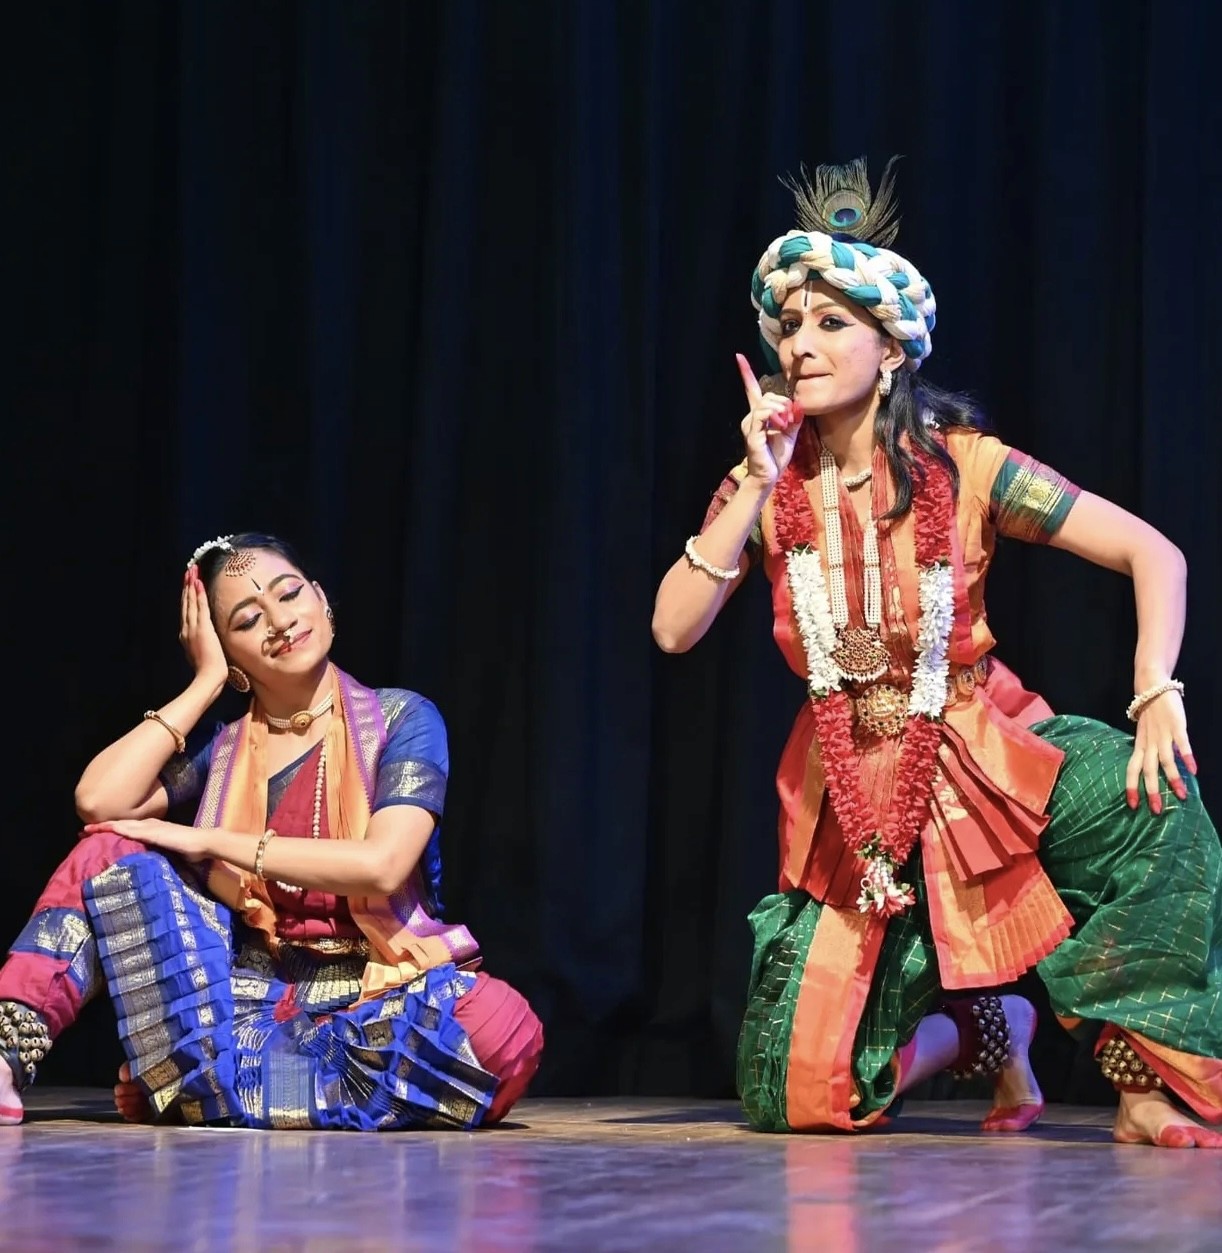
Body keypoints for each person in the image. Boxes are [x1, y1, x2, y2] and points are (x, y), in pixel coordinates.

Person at [652, 158, 1221, 1148]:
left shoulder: (967, 466)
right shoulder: (766, 489)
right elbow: (672, 626)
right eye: (790, 325)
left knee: (1148, 805)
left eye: (831, 322)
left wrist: (1153, 691)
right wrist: (749, 481)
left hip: (986, 746)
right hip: (851, 797)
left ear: (892, 347)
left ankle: (1139, 1081)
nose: (802, 342)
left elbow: (1151, 551)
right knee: (797, 1094)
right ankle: (979, 1029)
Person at [0, 532, 542, 1129]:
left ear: (323, 599)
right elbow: (99, 801)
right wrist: (203, 684)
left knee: (501, 1028)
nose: (280, 622)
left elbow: (385, 865)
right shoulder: (221, 749)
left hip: (375, 995)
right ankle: (10, 1056)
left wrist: (210, 842)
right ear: (228, 653)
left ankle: (202, 1086)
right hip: (241, 1001)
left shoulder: (401, 719)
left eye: (289, 595)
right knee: (108, 849)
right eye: (248, 619)